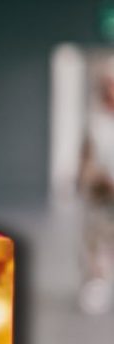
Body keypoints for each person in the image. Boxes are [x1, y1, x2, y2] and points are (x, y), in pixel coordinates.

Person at [78, 70, 114, 314]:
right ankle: (96, 284)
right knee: (96, 243)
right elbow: (86, 161)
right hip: (101, 195)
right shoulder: (95, 123)